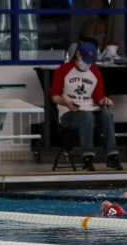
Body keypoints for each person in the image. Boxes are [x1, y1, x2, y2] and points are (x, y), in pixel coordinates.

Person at [50, 41, 122, 171]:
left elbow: (99, 97)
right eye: (86, 60)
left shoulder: (95, 71)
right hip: (69, 112)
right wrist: (66, 103)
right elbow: (54, 96)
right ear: (78, 54)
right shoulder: (64, 70)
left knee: (107, 115)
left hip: (90, 108)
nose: (88, 64)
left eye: (91, 61)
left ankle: (112, 157)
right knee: (86, 117)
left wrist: (105, 101)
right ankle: (87, 158)